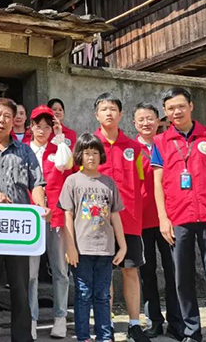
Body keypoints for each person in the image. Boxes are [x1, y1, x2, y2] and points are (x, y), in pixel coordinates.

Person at [151, 87, 206, 342]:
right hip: (178, 219)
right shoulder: (160, 142)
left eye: (181, 106)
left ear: (191, 106)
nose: (176, 112)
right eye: (171, 108)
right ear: (165, 112)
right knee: (182, 279)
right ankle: (191, 331)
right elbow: (157, 183)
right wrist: (163, 218)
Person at [0, 97, 50, 342]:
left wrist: (41, 206)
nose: (2, 120)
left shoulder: (25, 151)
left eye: (7, 116)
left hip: (18, 229)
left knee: (20, 287)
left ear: (14, 120)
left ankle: (22, 337)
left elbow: (37, 183)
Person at [60, 133, 127, 342]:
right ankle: (83, 336)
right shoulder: (72, 181)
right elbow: (67, 216)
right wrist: (70, 247)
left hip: (105, 249)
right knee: (83, 294)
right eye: (87, 153)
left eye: (95, 153)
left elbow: (115, 215)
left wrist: (122, 246)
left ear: (101, 155)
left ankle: (104, 336)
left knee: (103, 295)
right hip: (81, 250)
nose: (91, 157)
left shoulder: (108, 183)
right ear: (79, 155)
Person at [92, 93, 147, 342]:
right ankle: (107, 324)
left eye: (113, 109)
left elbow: (143, 182)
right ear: (97, 115)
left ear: (121, 114)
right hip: (98, 222)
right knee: (104, 274)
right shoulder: (90, 146)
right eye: (104, 109)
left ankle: (135, 324)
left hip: (129, 220)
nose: (109, 113)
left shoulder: (134, 148)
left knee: (130, 270)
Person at [133, 103, 184, 340]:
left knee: (174, 270)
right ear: (134, 123)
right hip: (141, 220)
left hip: (169, 218)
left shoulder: (168, 145)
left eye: (150, 118)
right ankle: (153, 320)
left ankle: (177, 321)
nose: (146, 123)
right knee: (147, 273)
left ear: (158, 121)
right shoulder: (131, 149)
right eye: (141, 119)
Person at [27, 105, 74, 339]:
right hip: (30, 218)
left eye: (47, 126)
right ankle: (31, 318)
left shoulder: (59, 148)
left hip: (57, 216)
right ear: (31, 126)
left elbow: (67, 166)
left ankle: (60, 317)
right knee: (31, 273)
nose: (42, 130)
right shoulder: (24, 150)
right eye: (38, 126)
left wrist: (60, 137)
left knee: (60, 270)